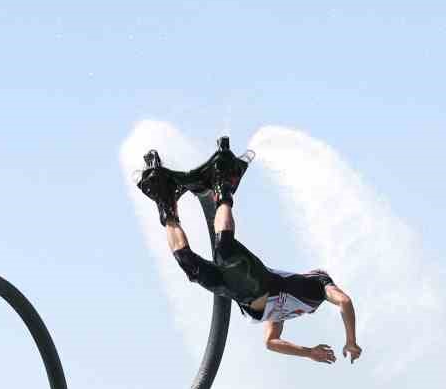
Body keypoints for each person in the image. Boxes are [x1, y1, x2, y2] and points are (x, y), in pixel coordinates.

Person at [136, 141, 362, 365]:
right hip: (257, 282)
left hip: (235, 292)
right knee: (224, 249)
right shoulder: (319, 284)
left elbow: (272, 342)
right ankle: (223, 185)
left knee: (189, 266)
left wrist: (309, 352)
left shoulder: (286, 312)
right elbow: (344, 301)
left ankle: (166, 203)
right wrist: (351, 340)